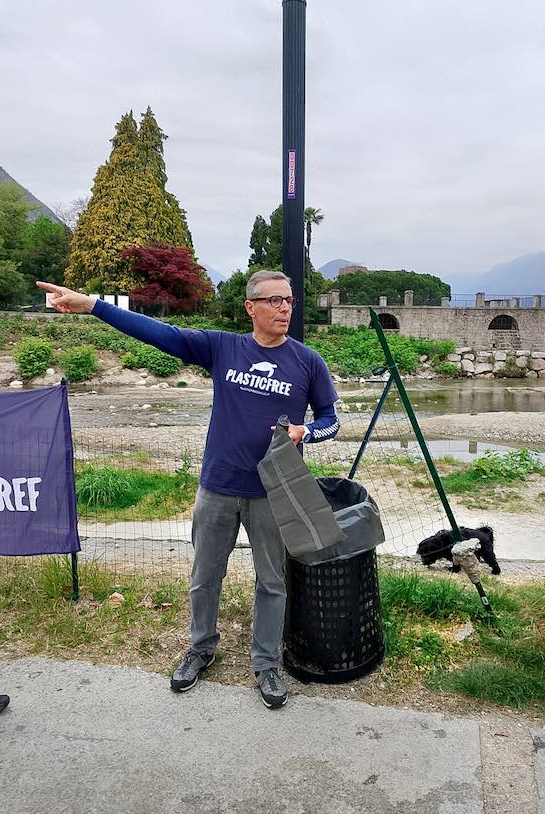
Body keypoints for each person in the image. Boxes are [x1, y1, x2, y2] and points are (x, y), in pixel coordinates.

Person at [37, 271, 340, 709]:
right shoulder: (223, 348)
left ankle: (266, 664)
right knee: (204, 576)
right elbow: (161, 333)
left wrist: (304, 432)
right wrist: (93, 306)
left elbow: (331, 420)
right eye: (274, 300)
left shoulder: (308, 361)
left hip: (274, 491)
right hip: (218, 486)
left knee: (272, 581)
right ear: (250, 307)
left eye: (289, 300)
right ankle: (201, 648)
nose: (284, 308)